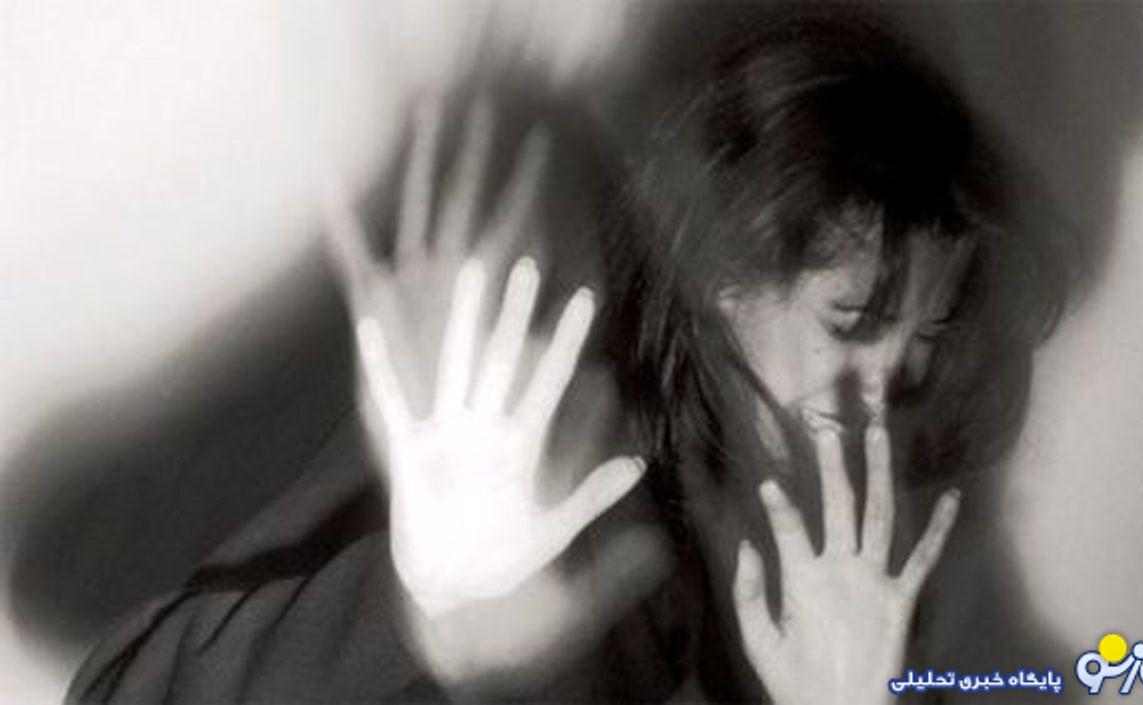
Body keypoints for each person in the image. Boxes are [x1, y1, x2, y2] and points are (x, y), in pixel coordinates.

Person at [67, 12, 1071, 704]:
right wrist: (425, 605)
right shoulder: (513, 429)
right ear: (726, 274)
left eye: (920, 345)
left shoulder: (854, 598)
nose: (881, 393)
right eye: (851, 319)